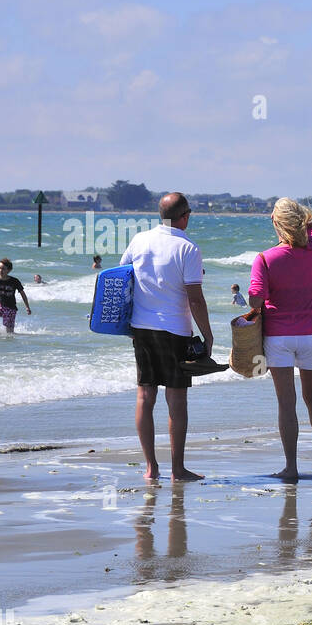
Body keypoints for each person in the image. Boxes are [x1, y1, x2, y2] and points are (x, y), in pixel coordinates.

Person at [118, 192, 214, 481]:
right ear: (185, 216)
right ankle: (178, 469)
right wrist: (207, 336)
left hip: (142, 329)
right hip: (175, 331)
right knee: (176, 400)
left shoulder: (139, 240)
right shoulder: (188, 248)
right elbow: (195, 299)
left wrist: (124, 325)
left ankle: (151, 468)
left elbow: (122, 278)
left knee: (145, 395)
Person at [245, 197, 312, 482]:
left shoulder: (265, 258)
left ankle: (291, 468)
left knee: (287, 402)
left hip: (279, 336)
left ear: (275, 223)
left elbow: (256, 300)